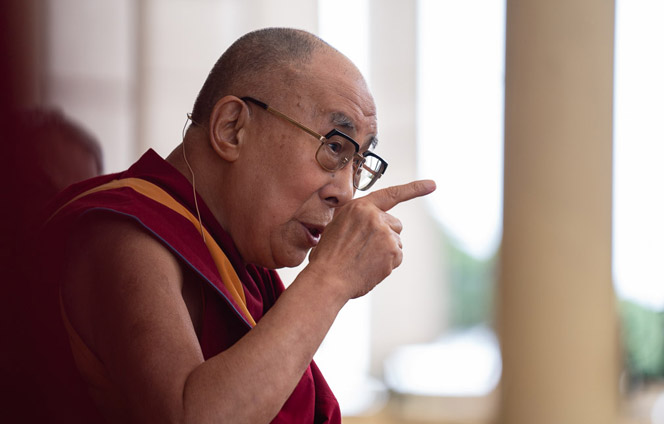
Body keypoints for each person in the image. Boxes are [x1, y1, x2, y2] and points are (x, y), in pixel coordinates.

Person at [35, 27, 435, 423]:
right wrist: (330, 279)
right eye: (334, 147)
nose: (346, 193)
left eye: (359, 162)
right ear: (232, 128)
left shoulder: (241, 263)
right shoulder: (122, 237)